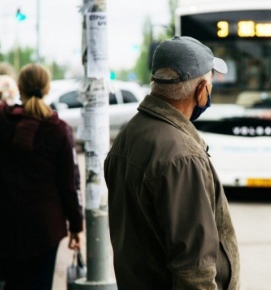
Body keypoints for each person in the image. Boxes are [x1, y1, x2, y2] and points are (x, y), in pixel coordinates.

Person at [104, 36, 240, 290]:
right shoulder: (182, 157)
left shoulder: (129, 134)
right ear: (201, 91)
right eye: (210, 84)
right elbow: (194, 270)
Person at [0, 63, 83, 290]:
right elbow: (69, 184)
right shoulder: (58, 129)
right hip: (45, 228)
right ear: (47, 89)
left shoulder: (2, 122)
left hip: (6, 224)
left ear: (19, 88)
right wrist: (76, 225)